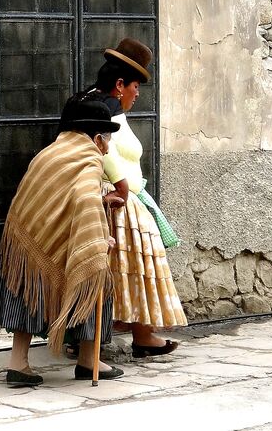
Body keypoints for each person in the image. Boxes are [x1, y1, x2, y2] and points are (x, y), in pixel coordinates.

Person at [0, 94, 124, 387]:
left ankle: (18, 362)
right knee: (94, 274)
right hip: (56, 237)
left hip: (27, 237)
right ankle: (89, 360)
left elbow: (57, 199)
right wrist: (100, 238)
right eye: (107, 140)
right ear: (97, 138)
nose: (107, 147)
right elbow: (82, 199)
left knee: (27, 288)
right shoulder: (88, 160)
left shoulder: (50, 153)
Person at [79, 38, 188, 358]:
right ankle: (92, 341)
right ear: (119, 83)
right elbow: (100, 145)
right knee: (113, 270)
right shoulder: (103, 106)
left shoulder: (107, 104)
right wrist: (122, 188)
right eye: (135, 85)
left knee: (133, 270)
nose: (138, 93)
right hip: (114, 199)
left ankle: (142, 334)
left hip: (128, 198)